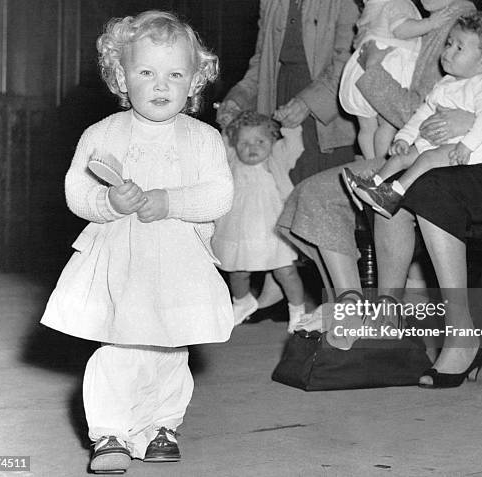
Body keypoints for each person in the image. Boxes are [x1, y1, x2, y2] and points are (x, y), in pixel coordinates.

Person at [278, 0, 482, 381]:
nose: (450, 52)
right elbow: (415, 111)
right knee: (316, 192)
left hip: (471, 152)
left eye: (456, 48)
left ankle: (389, 312)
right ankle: (353, 307)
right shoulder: (416, 19)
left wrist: (373, 72)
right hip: (417, 144)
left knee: (411, 188)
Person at [40, 11, 233, 474]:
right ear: (121, 78)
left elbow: (219, 194)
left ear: (195, 82)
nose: (161, 84)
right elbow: (76, 192)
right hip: (121, 259)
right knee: (119, 345)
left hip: (180, 258)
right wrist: (109, 199)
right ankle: (110, 432)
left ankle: (162, 425)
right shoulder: (102, 133)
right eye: (145, 72)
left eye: (175, 74)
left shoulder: (204, 137)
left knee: (172, 345)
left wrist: (169, 201)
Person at [216, 0, 359, 315]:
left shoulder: (343, 4)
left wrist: (308, 103)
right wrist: (236, 99)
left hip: (324, 113)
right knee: (277, 207)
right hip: (279, 105)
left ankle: (341, 303)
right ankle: (280, 287)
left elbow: (349, 62)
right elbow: (260, 63)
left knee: (320, 212)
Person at [344, 12, 482, 219]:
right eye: (449, 44)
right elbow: (422, 113)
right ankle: (374, 185)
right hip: (441, 143)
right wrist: (405, 137)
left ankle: (392, 194)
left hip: (476, 147)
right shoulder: (446, 83)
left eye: (459, 48)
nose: (447, 52)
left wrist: (467, 145)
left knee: (426, 158)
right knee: (402, 156)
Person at [212, 111, 306, 332]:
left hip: (273, 231)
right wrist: (225, 129)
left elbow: (295, 145)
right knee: (237, 273)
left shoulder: (277, 158)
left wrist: (288, 125)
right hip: (239, 232)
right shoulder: (232, 158)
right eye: (244, 142)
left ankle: (298, 311)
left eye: (260, 141)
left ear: (272, 141)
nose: (252, 147)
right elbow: (219, 148)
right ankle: (242, 301)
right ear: (235, 144)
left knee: (286, 272)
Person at [339, 0, 456, 162]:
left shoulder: (371, 6)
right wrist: (430, 23)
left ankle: (369, 161)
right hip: (387, 64)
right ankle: (381, 164)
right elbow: (402, 30)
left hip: (360, 68)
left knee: (366, 128)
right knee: (387, 124)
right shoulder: (397, 3)